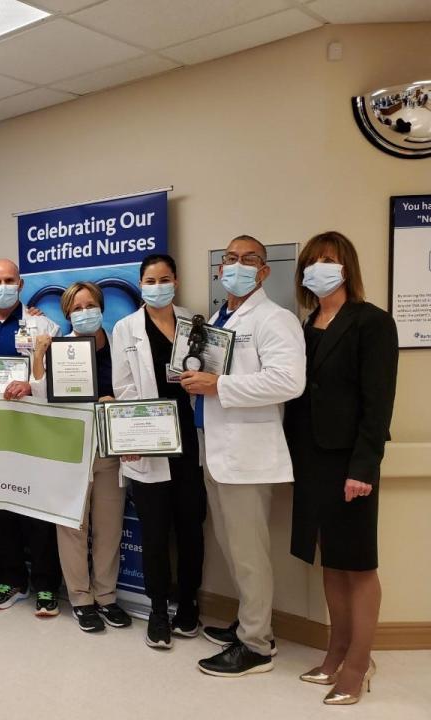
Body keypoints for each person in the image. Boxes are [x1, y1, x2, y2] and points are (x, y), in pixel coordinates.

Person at [180, 235, 305, 677]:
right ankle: (249, 624)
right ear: (220, 270)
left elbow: (289, 382)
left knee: (249, 552)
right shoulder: (218, 318)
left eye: (248, 259)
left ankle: (257, 645)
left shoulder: (276, 319)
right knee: (234, 549)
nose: (237, 265)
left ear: (265, 271)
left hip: (247, 454)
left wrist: (219, 387)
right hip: (214, 449)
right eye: (230, 259)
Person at [284, 232, 397, 705]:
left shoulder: (372, 323)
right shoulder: (305, 325)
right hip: (310, 459)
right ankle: (336, 651)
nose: (318, 268)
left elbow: (378, 405)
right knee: (331, 562)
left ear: (346, 266)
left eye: (327, 260)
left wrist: (364, 468)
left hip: (350, 462)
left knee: (358, 564)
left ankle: (358, 665)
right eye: (311, 262)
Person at [111, 254, 206, 649]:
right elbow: (124, 388)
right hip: (149, 436)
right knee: (154, 531)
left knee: (190, 528)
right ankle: (158, 612)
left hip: (189, 434)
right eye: (150, 280)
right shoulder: (125, 328)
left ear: (176, 281)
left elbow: (211, 370)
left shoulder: (195, 323)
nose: (157, 286)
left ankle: (188, 607)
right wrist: (132, 440)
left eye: (164, 279)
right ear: (141, 284)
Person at [0, 259, 62, 617]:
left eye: (9, 280)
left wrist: (31, 386)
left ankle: (47, 583)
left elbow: (57, 379)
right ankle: (11, 579)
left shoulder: (42, 325)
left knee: (37, 510)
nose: (2, 286)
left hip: (32, 431)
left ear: (20, 284)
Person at [30, 281, 132, 634]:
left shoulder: (120, 343)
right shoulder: (61, 346)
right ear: (67, 313)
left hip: (110, 446)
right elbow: (43, 396)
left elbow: (134, 387)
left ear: (102, 307)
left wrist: (115, 403)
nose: (84, 311)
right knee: (73, 526)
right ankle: (80, 598)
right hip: (72, 446)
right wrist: (39, 357)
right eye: (76, 307)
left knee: (109, 526)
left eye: (90, 305)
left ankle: (106, 596)